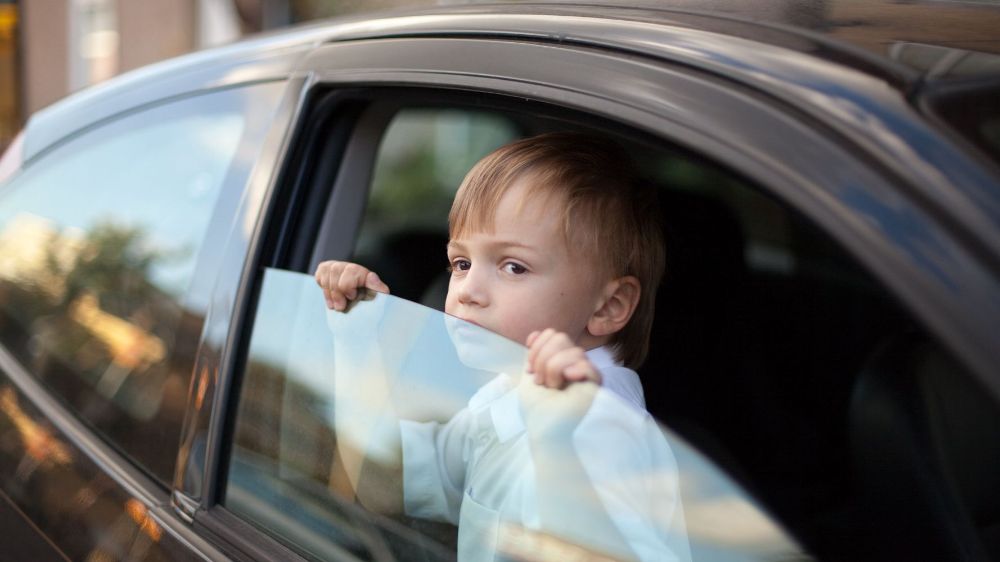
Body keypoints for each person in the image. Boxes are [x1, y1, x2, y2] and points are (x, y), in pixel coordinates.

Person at [316, 132, 690, 561]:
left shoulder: (598, 427)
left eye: (514, 267)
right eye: (461, 263)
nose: (468, 290)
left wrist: (557, 450)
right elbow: (384, 482)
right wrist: (357, 340)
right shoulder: (503, 400)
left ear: (608, 307)